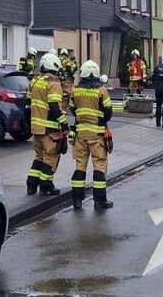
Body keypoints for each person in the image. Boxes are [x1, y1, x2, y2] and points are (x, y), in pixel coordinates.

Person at [69, 60, 115, 209]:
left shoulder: (75, 90)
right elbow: (108, 113)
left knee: (80, 166)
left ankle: (77, 201)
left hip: (80, 134)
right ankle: (99, 201)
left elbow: (72, 109)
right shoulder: (102, 90)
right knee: (99, 166)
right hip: (97, 135)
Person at [26, 52, 68, 196]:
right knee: (50, 157)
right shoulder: (53, 84)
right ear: (54, 66)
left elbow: (28, 103)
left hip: (36, 127)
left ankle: (31, 185)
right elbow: (55, 108)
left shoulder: (35, 82)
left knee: (39, 156)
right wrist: (64, 124)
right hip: (49, 129)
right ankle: (46, 186)